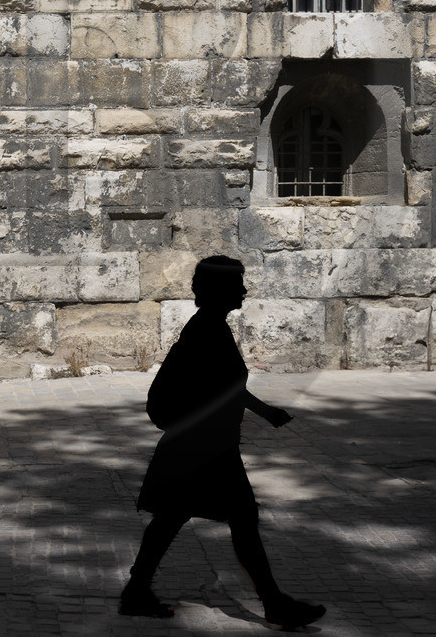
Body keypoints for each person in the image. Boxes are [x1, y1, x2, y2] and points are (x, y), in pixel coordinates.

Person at [120, 255, 326, 630]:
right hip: (205, 448)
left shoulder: (209, 326)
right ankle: (274, 603)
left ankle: (136, 592)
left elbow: (227, 388)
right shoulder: (208, 330)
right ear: (220, 290)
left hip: (199, 445)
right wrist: (265, 412)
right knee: (237, 518)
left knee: (173, 517)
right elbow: (226, 389)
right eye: (238, 284)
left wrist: (266, 413)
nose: (244, 291)